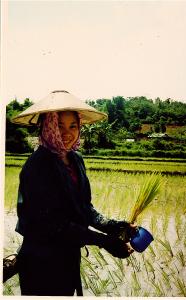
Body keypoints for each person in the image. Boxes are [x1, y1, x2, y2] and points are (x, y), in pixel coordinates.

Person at [12, 90, 136, 296]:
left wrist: (115, 226)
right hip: (41, 260)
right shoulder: (38, 165)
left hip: (67, 257)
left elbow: (85, 208)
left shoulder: (75, 159)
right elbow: (52, 224)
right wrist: (105, 242)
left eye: (73, 126)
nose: (67, 133)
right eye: (58, 125)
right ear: (46, 126)